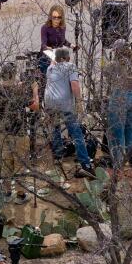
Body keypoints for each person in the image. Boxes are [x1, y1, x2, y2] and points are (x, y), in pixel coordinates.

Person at [42, 47, 94, 178]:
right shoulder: (70, 66)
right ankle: (85, 163)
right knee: (76, 132)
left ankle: (58, 157)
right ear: (66, 58)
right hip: (64, 104)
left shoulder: (50, 69)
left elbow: (53, 65)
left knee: (55, 129)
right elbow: (75, 86)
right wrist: (79, 102)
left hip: (50, 103)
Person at [0, 62, 39, 203]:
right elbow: (35, 107)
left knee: (6, 162)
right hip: (18, 132)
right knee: (20, 164)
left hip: (2, 132)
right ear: (13, 75)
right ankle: (20, 195)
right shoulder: (18, 91)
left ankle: (6, 193)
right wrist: (35, 90)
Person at [103, 39, 132, 166]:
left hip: (120, 95)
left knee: (117, 129)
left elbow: (105, 73)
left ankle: (118, 162)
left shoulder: (114, 64)